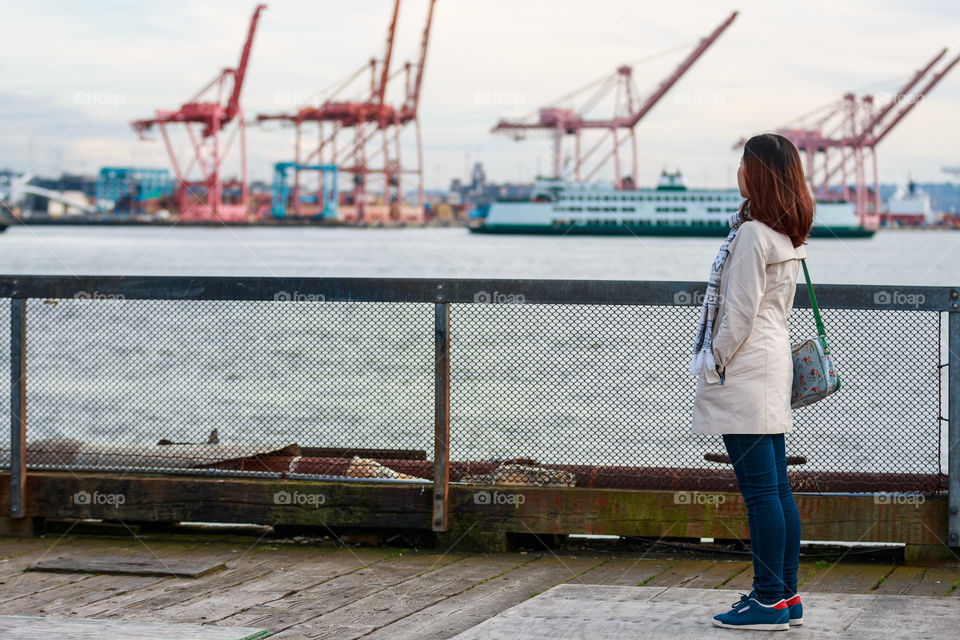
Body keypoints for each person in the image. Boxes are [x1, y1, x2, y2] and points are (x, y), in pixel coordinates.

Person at [689, 133, 814, 631]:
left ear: (756, 172)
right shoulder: (785, 235)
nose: (737, 170)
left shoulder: (750, 236)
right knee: (777, 489)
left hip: (744, 370)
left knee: (761, 493)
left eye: (743, 163)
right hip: (771, 361)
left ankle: (766, 602)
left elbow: (737, 315)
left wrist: (712, 363)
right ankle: (785, 597)